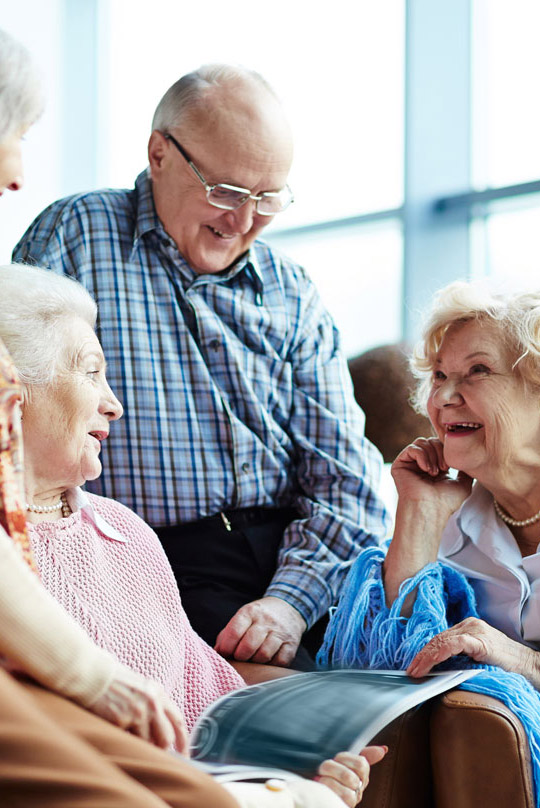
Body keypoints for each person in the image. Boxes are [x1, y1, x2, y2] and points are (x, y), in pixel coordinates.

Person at [0, 28, 382, 808]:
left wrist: (290, 599)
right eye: (226, 191)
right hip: (158, 551)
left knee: (381, 714)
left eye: (267, 197)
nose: (246, 219)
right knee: (264, 728)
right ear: (160, 154)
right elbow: (28, 393)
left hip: (293, 562)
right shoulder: (78, 235)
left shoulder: (291, 290)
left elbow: (348, 483)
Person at [318, 280, 540, 806]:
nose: (444, 396)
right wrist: (419, 513)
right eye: (438, 376)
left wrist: (519, 659)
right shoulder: (451, 516)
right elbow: (375, 675)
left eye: (477, 370)